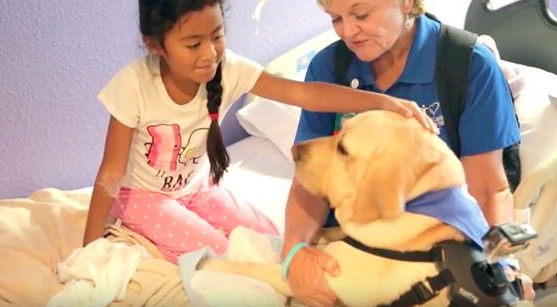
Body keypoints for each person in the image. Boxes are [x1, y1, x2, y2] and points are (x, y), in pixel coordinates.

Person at [81, 0, 437, 264]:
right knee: (225, 256)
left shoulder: (228, 68)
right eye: (193, 44)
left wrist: (379, 102)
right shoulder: (134, 86)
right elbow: (110, 174)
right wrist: (87, 250)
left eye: (217, 36)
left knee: (272, 241)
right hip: (143, 198)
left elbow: (303, 94)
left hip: (197, 188)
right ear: (155, 46)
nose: (209, 53)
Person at [281, 0, 535, 306]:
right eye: (335, 18)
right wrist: (294, 252)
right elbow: (310, 179)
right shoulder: (330, 68)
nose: (347, 31)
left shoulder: (467, 66)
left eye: (361, 14)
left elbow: (487, 189)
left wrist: (500, 269)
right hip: (346, 243)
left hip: (432, 250)